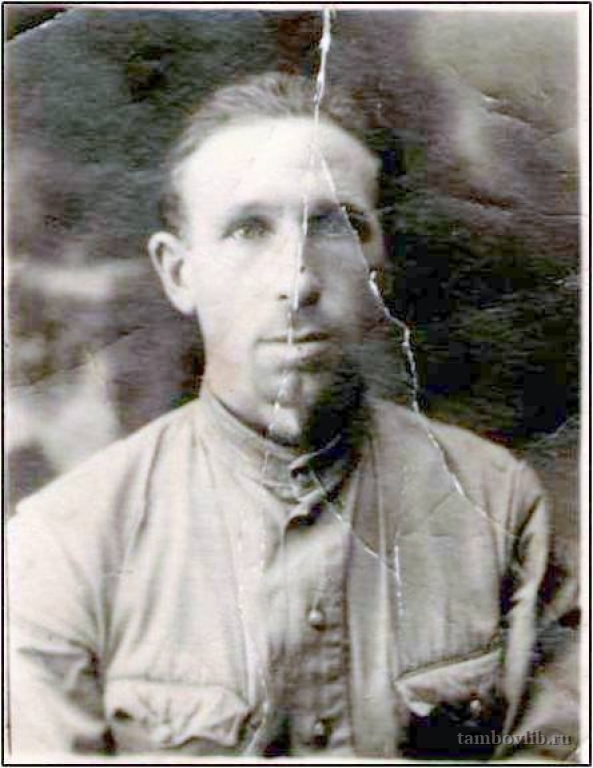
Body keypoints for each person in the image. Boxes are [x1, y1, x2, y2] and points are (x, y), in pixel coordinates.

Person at [8, 72, 578, 760]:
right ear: (179, 273)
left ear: (380, 263)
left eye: (335, 227)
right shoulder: (67, 541)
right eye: (248, 229)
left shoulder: (497, 502)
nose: (297, 280)